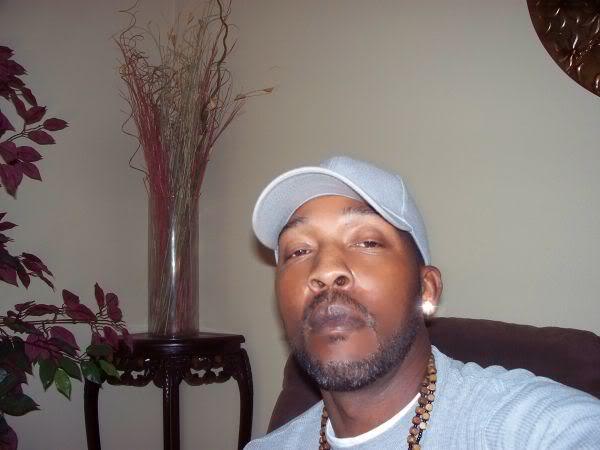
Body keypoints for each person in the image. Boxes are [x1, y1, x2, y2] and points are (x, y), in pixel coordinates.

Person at [246, 156, 600, 449]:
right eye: (298, 251)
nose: (324, 270)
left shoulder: (534, 426)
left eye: (367, 242)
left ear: (426, 289)